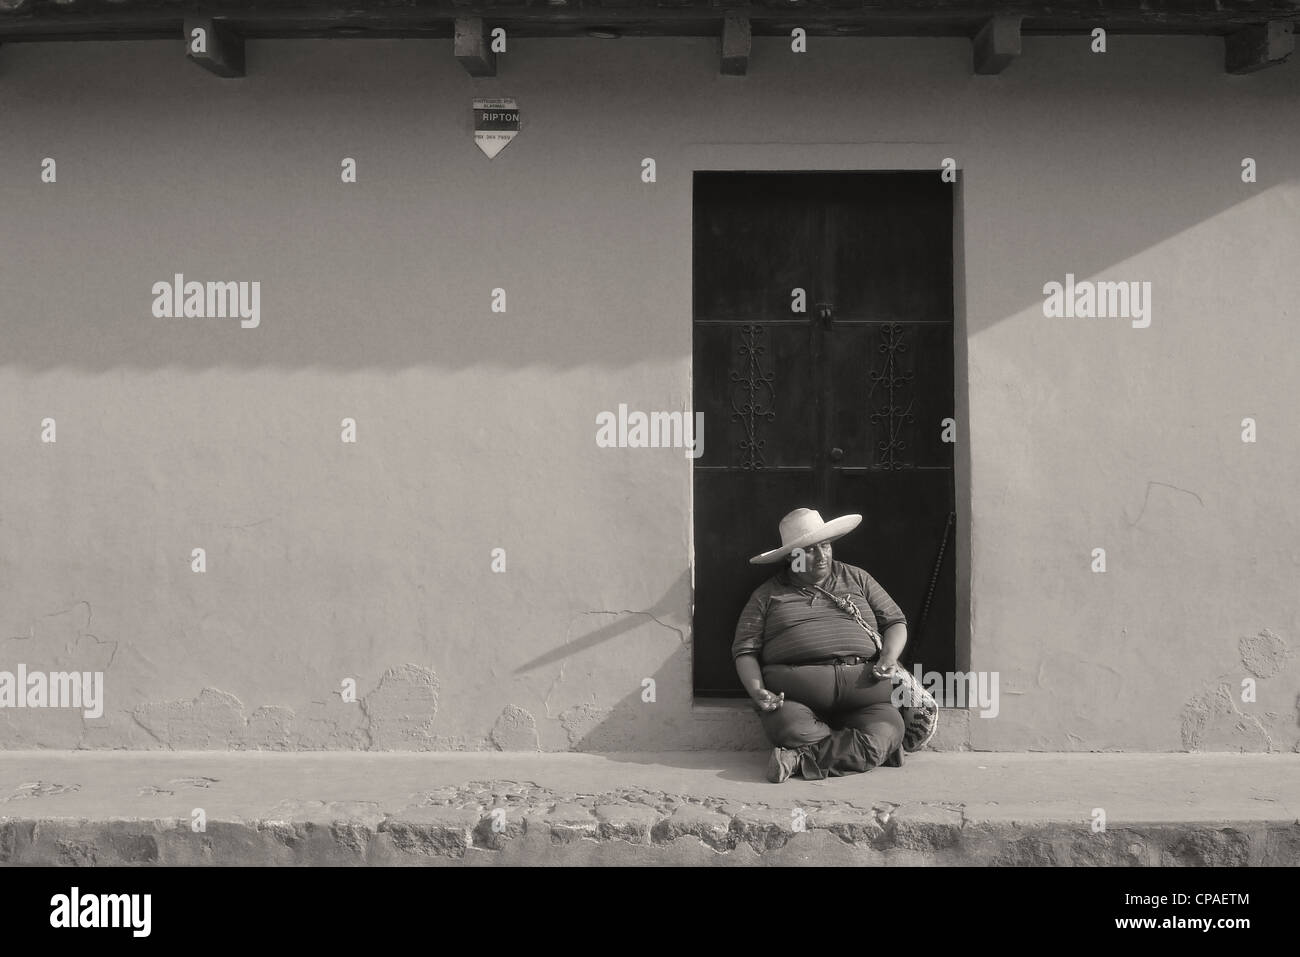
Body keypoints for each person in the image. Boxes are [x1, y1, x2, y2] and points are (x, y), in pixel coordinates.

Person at [733, 507, 928, 783]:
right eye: (810, 550)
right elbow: (745, 650)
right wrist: (756, 690)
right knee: (789, 730)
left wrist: (888, 656)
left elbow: (896, 622)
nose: (821, 555)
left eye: (825, 546)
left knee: (887, 730)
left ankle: (799, 759)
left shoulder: (857, 578)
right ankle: (866, 754)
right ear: (792, 556)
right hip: (795, 696)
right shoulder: (767, 595)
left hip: (865, 690)